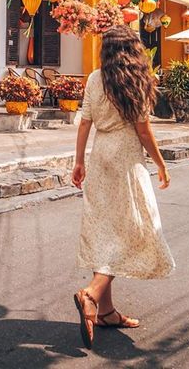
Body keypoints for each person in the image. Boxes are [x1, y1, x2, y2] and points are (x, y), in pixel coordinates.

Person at [72, 26, 174, 349]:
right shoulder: (135, 81)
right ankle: (92, 293)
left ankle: (106, 312)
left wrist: (79, 161)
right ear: (132, 51)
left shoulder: (94, 78)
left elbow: (85, 122)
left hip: (100, 156)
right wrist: (160, 162)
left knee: (105, 230)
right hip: (126, 160)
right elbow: (143, 131)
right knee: (136, 230)